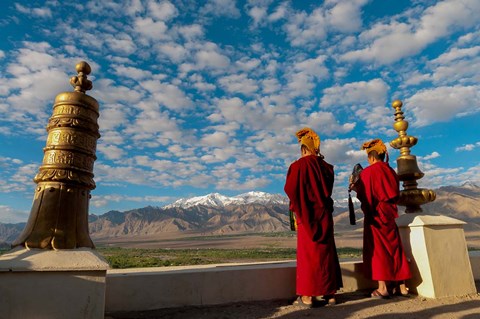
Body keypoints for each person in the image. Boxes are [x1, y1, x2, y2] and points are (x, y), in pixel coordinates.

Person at [284, 127, 343, 307]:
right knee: (326, 254)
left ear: (303, 149)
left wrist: (298, 207)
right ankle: (330, 294)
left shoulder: (298, 166)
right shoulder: (327, 168)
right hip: (324, 216)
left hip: (307, 216)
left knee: (308, 256)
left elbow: (290, 189)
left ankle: (307, 296)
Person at [349, 138, 411, 299]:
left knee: (379, 251)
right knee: (394, 248)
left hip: (375, 217)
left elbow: (367, 197)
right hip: (390, 215)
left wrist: (356, 187)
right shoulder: (390, 171)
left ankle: (383, 287)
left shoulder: (369, 172)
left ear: (371, 157)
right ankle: (402, 286)